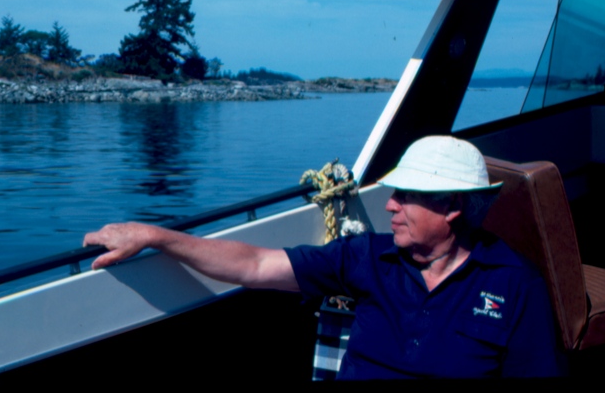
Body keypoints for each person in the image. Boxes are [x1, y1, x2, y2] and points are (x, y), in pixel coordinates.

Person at [84, 136, 562, 379]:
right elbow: (254, 266)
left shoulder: (515, 286)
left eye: (406, 196)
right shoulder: (367, 257)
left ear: (452, 207)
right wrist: (157, 236)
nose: (390, 206)